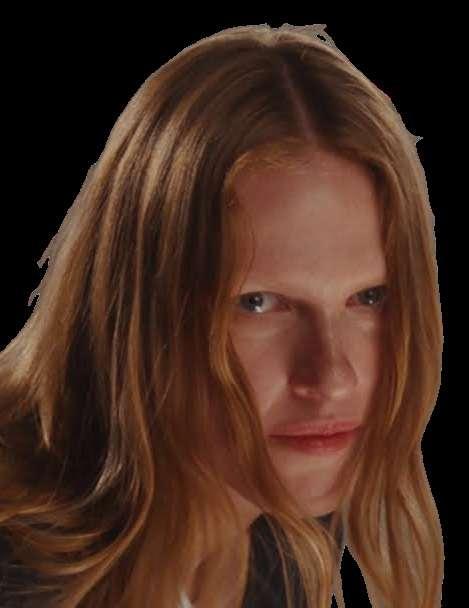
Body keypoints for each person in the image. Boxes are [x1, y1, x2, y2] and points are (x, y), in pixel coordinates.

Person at [0, 23, 443, 608]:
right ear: (138, 306)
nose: (331, 378)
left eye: (370, 298)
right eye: (258, 304)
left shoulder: (283, 537)